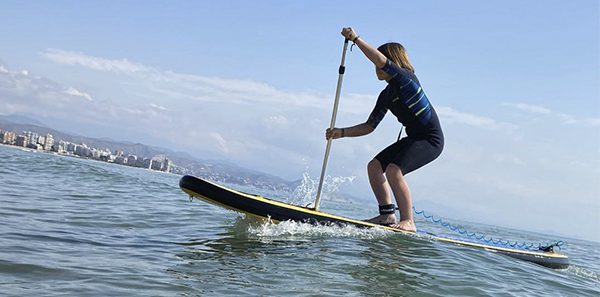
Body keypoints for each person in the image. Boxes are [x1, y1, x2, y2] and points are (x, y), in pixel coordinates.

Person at [325, 27, 444, 232]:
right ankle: (387, 214)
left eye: (380, 63)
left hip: (430, 140)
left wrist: (355, 39)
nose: (376, 67)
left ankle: (409, 221)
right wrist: (341, 132)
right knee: (374, 166)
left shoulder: (407, 80)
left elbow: (381, 61)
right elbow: (369, 126)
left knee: (393, 170)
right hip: (414, 138)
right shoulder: (386, 95)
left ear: (393, 63)